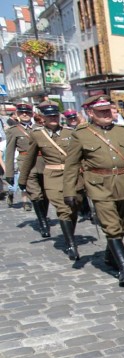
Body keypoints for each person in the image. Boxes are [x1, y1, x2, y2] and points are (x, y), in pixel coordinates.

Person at [63, 94, 124, 287]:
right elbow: (71, 165)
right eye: (102, 112)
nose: (107, 114)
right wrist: (69, 191)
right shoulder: (81, 134)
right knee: (111, 226)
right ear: (90, 113)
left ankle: (110, 253)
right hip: (99, 185)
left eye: (108, 110)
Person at [18, 102, 82, 260]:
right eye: (49, 116)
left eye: (55, 115)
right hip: (52, 176)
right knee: (63, 209)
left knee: (74, 208)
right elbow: (30, 158)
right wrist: (23, 178)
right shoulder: (37, 134)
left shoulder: (70, 132)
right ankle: (71, 244)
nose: (53, 118)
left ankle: (69, 235)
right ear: (43, 117)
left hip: (73, 176)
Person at [4, 102, 39, 212]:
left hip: (41, 162)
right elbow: (9, 153)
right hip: (25, 164)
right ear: (17, 114)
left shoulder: (39, 128)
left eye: (27, 112)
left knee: (46, 193)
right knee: (35, 193)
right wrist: (9, 173)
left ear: (32, 114)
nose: (25, 114)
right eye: (21, 112)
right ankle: (42, 220)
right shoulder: (13, 130)